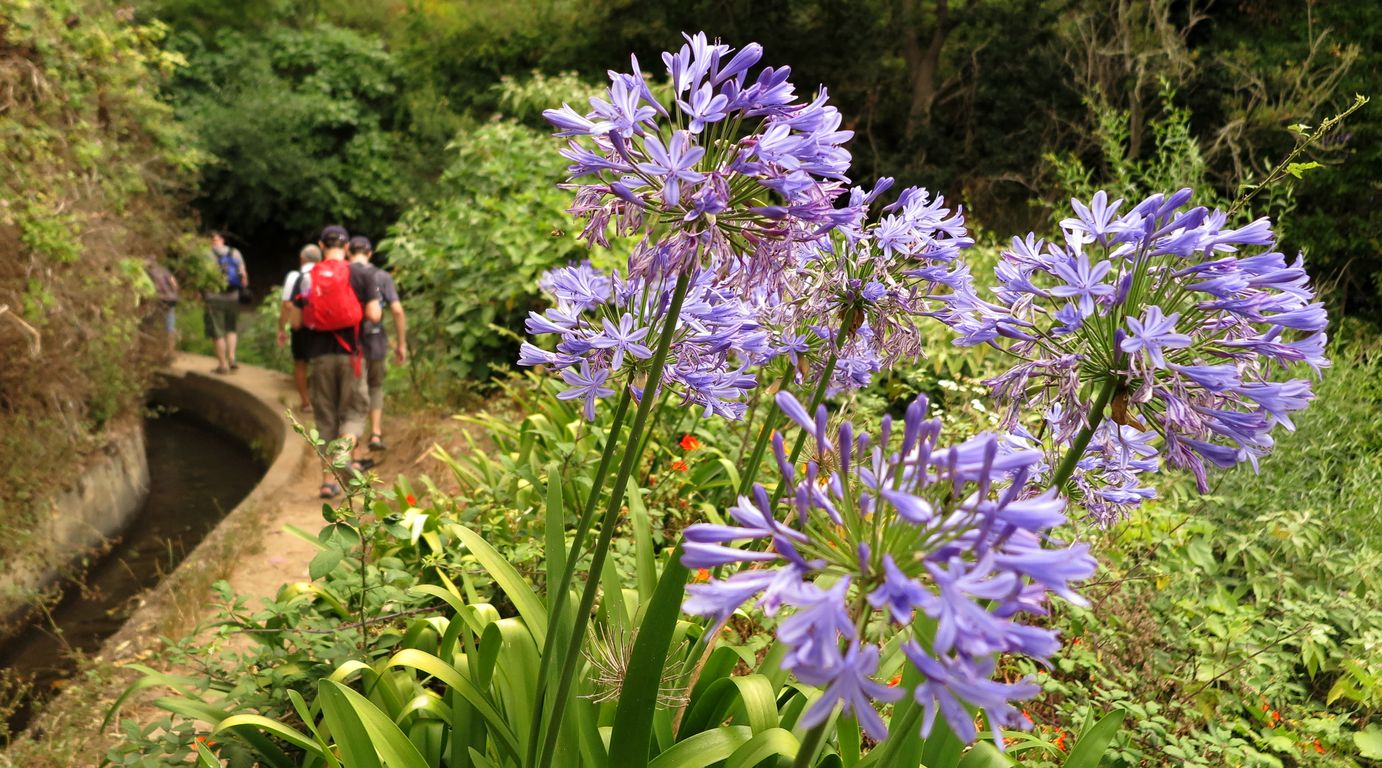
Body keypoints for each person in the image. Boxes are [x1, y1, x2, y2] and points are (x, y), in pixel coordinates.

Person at [290, 225, 382, 499]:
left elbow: (296, 322)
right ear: (346, 246)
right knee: (354, 413)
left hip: (319, 356)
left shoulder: (307, 277)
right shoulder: (362, 274)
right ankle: (344, 452)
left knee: (325, 418)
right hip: (352, 355)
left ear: (321, 244)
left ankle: (327, 481)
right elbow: (375, 315)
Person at [348, 236, 408, 451]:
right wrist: (401, 344)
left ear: (348, 252)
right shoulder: (382, 276)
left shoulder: (345, 273)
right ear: (370, 253)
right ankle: (375, 434)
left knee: (354, 393)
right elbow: (398, 310)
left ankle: (351, 442)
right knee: (376, 387)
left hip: (349, 345)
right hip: (376, 341)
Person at [277, 243, 322, 412]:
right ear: (320, 259)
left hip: (301, 327)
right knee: (321, 364)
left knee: (300, 363)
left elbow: (287, 305)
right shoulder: (325, 273)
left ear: (301, 259)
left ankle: (306, 403)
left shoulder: (294, 276)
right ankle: (322, 401)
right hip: (322, 327)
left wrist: (281, 328)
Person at [205, 231, 249, 374]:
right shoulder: (235, 252)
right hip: (233, 296)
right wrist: (242, 289)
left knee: (218, 332)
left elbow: (201, 278)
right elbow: (244, 276)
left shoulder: (206, 254)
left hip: (214, 297)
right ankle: (232, 358)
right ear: (222, 240)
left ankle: (222, 365)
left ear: (210, 241)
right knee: (231, 329)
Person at [146, 260, 180, 357]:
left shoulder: (148, 273)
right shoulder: (164, 270)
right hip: (171, 300)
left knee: (150, 324)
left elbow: (150, 288)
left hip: (158, 300)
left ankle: (151, 350)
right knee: (170, 326)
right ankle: (170, 351)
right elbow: (175, 285)